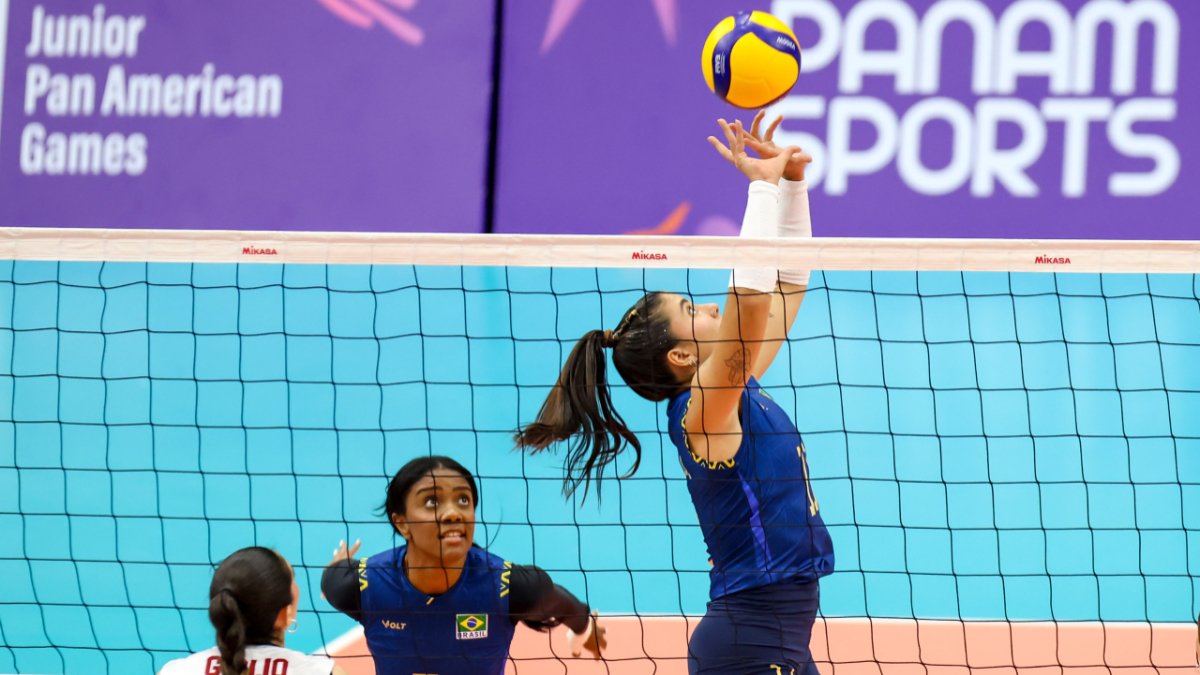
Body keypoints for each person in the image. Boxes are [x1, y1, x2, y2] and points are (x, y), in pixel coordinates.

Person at [515, 112, 834, 675]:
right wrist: (759, 188)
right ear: (682, 357)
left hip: (773, 639)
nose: (709, 306)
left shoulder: (729, 390)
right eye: (691, 310)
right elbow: (750, 301)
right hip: (751, 646)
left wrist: (790, 187)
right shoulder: (704, 413)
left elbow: (786, 286)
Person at [321, 455, 606, 674]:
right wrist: (339, 569)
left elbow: (566, 606)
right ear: (402, 522)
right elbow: (333, 579)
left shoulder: (509, 586)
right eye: (432, 501)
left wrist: (585, 630)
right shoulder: (360, 586)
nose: (453, 513)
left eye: (463, 499)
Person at [158, 546, 345, 675]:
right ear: (282, 616)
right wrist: (341, 583)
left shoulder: (176, 671)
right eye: (292, 578)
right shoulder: (322, 672)